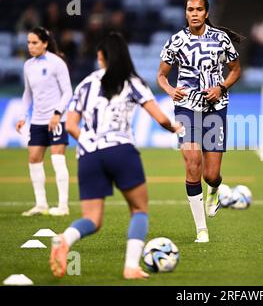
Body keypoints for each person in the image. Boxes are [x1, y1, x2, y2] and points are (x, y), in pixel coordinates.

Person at [49, 32, 182, 279]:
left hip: (88, 155)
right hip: (121, 150)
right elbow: (160, 117)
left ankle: (64, 238)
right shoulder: (131, 81)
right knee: (139, 209)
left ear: (101, 57)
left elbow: (70, 125)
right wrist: (175, 127)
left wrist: (90, 143)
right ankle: (131, 266)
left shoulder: (86, 83)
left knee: (92, 219)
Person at [157, 0, 242, 243]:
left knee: (210, 175)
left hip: (215, 107)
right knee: (192, 162)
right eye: (189, 9)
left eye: (198, 9)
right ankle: (201, 229)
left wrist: (221, 88)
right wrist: (171, 90)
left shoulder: (221, 39)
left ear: (206, 13)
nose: (194, 13)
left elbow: (236, 69)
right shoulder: (176, 41)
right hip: (186, 107)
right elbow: (161, 75)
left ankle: (215, 189)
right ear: (186, 13)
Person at [16, 26, 72, 217]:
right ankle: (41, 204)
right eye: (28, 43)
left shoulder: (57, 63)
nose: (31, 46)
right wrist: (23, 116)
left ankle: (63, 206)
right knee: (34, 159)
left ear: (45, 43)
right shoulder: (28, 65)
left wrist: (57, 113)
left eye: (35, 43)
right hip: (37, 120)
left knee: (57, 159)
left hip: (56, 119)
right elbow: (27, 93)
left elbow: (68, 92)